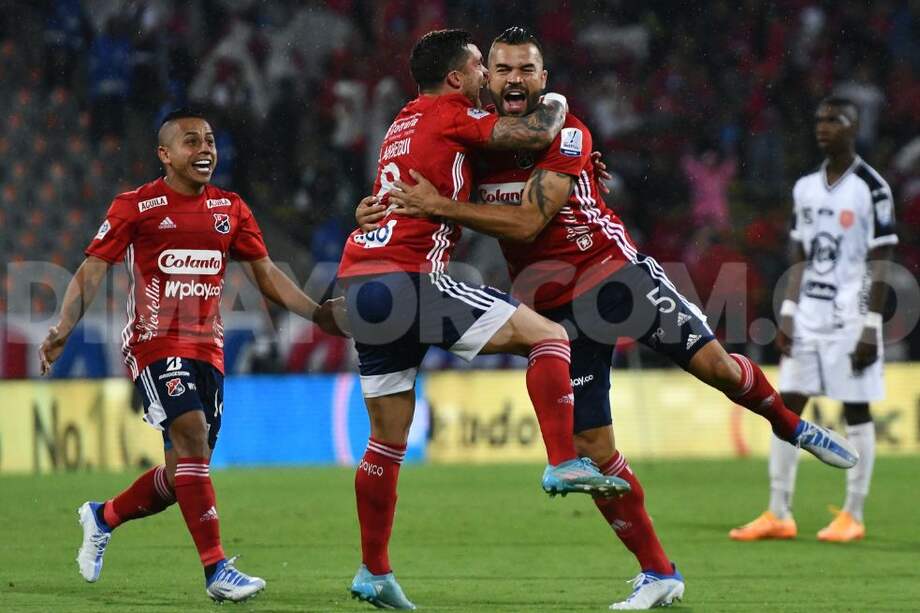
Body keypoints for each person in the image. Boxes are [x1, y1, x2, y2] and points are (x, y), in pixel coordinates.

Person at [362, 27, 861, 610]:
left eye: (527, 69)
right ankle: (659, 573)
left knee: (719, 369)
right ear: (486, 81)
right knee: (595, 449)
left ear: (543, 79)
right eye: (502, 70)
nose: (515, 79)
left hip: (615, 278)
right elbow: (421, 182)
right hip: (554, 305)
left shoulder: (565, 130)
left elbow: (525, 224)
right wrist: (379, 205)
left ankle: (786, 423)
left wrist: (440, 205)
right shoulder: (472, 144)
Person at [336, 29, 630, 611]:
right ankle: (561, 462)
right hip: (411, 276)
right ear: (456, 77)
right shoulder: (451, 112)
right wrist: (559, 104)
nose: (486, 80)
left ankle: (373, 571)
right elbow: (539, 131)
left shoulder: (401, 123)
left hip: (358, 280)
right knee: (549, 336)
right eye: (479, 69)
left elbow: (384, 199)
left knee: (384, 444)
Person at [39, 109, 344, 603]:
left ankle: (103, 516)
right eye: (190, 142)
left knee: (184, 472)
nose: (205, 150)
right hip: (154, 342)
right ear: (165, 154)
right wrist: (62, 327)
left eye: (210, 142)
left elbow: (265, 272)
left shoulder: (231, 208)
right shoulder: (136, 206)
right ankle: (217, 570)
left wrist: (316, 313)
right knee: (193, 439)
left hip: (210, 349)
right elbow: (93, 268)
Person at [729, 97, 896, 544]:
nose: (824, 127)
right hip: (809, 314)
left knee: (855, 408)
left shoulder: (872, 188)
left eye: (835, 120)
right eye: (820, 119)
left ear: (854, 127)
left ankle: (852, 515)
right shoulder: (805, 187)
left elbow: (882, 260)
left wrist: (871, 325)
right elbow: (799, 253)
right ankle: (779, 512)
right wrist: (787, 313)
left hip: (852, 313)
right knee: (787, 409)